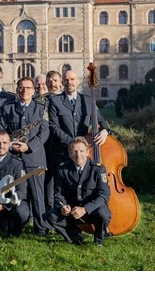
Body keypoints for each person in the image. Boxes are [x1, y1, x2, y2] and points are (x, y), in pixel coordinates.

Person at [47, 69, 109, 214]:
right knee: (61, 190)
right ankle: (61, 220)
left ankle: (89, 213)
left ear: (78, 81)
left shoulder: (88, 100)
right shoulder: (54, 101)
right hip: (62, 153)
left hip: (83, 155)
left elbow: (101, 120)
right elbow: (54, 127)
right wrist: (73, 143)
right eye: (66, 80)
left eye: (72, 79)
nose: (69, 82)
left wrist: (105, 131)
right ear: (62, 82)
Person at [0, 77, 50, 236]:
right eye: (21, 87)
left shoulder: (41, 108)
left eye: (28, 88)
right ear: (17, 89)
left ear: (34, 90)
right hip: (13, 160)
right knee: (12, 195)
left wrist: (29, 147)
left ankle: (41, 229)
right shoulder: (8, 108)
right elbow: (1, 128)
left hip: (34, 159)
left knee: (37, 196)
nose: (24, 91)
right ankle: (12, 228)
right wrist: (9, 144)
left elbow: (45, 132)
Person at [45, 137, 111, 246]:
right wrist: (63, 207)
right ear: (70, 154)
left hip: (92, 210)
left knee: (104, 214)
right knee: (51, 215)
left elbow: (104, 195)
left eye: (81, 151)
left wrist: (85, 209)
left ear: (87, 152)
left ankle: (98, 241)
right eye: (74, 151)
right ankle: (75, 238)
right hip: (72, 210)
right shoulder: (63, 169)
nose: (78, 155)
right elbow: (59, 193)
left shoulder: (98, 169)